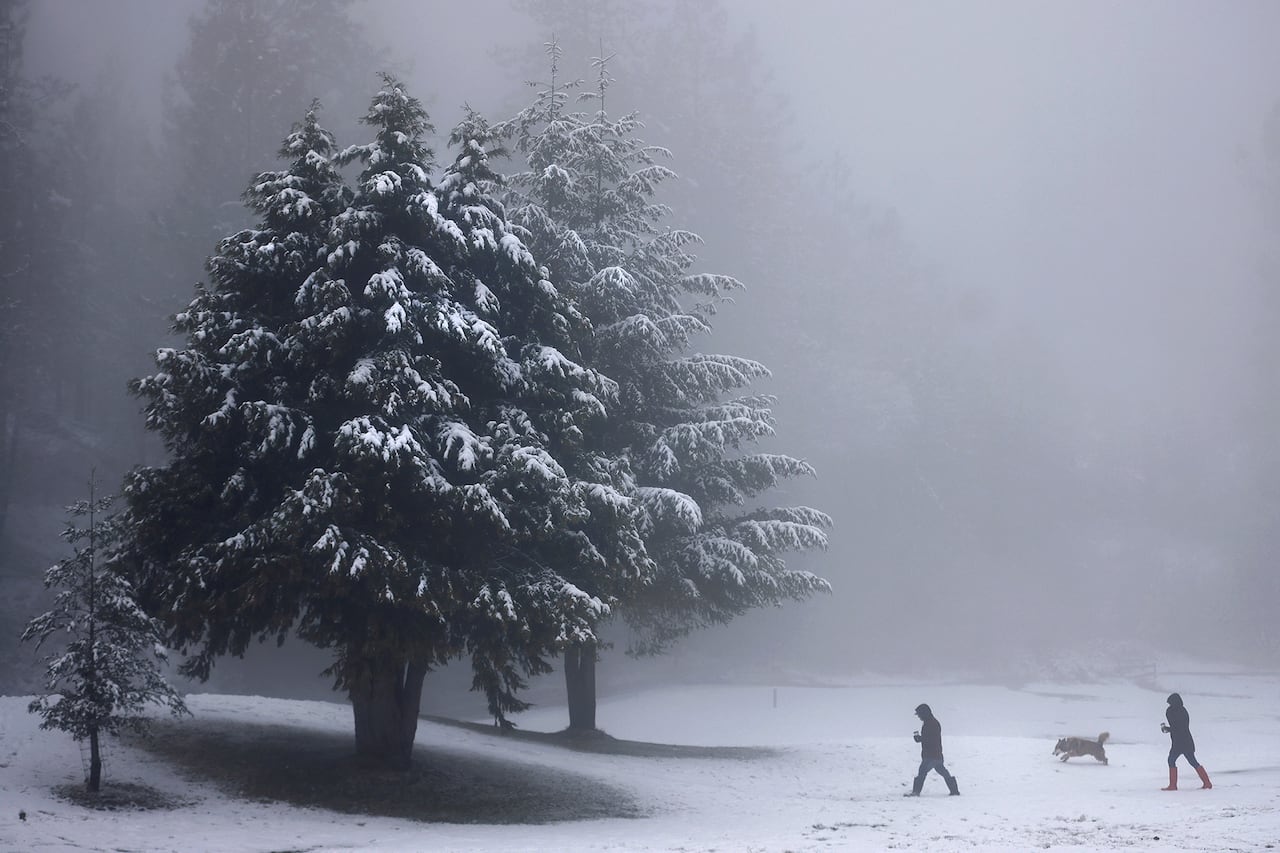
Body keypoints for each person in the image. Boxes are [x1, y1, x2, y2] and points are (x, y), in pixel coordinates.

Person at [905, 703, 959, 796]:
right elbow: (931, 738)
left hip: (931, 755)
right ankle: (954, 791)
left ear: (924, 713)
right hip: (936, 754)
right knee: (942, 771)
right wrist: (921, 739)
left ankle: (916, 792)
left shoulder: (931, 723)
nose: (919, 717)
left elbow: (931, 739)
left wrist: (920, 739)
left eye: (919, 714)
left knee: (922, 771)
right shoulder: (931, 722)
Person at [1161, 692, 1211, 790]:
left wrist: (1168, 729)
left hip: (1179, 742)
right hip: (1186, 741)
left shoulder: (1174, 712)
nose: (1169, 705)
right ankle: (1207, 783)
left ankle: (1173, 785)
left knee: (1171, 760)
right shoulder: (1183, 711)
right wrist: (1169, 728)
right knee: (1193, 762)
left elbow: (1178, 727)